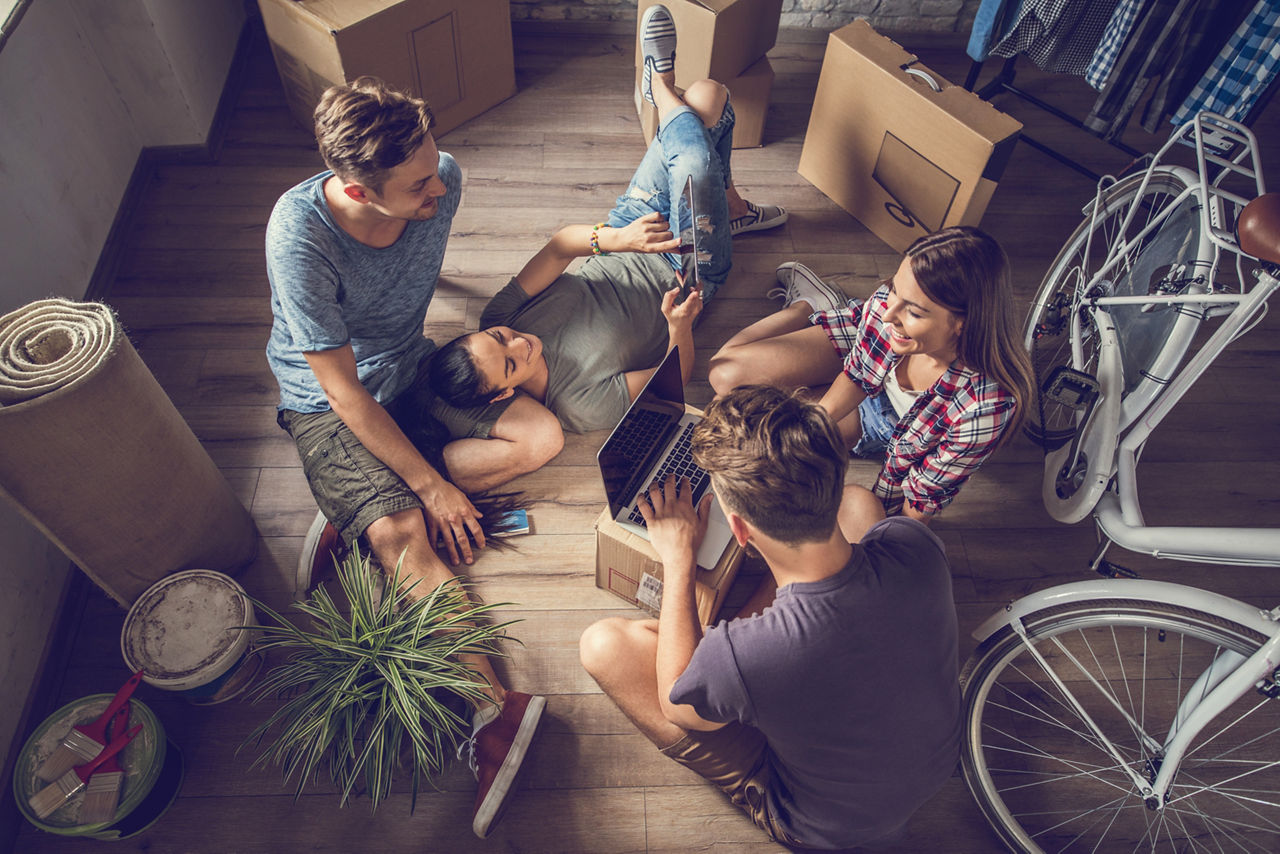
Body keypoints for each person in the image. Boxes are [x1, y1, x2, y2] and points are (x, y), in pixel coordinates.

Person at [264, 76, 554, 839]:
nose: (441, 185)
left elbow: (423, 264)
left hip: (413, 366)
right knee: (406, 536)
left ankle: (350, 512)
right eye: (419, 182)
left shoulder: (443, 178)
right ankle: (499, 708)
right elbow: (346, 394)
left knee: (535, 442)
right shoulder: (298, 239)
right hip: (333, 399)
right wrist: (430, 488)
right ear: (358, 189)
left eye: (434, 164)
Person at [578, 385, 962, 850]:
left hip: (828, 826)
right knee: (860, 505)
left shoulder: (753, 655)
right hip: (936, 762)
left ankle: (730, 681)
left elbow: (678, 707)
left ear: (738, 529)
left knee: (603, 646)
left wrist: (679, 559)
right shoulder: (912, 543)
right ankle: (735, 676)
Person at [426, 4, 786, 435]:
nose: (518, 343)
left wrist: (621, 238)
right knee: (697, 147)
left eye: (500, 337)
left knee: (710, 94)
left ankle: (729, 206)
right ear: (504, 394)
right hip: (687, 268)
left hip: (632, 225)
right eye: (509, 363)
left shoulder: (498, 313)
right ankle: (660, 87)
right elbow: (673, 382)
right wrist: (680, 327)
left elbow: (561, 246)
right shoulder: (580, 405)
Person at [708, 227, 1036, 523]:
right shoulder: (885, 313)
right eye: (894, 289)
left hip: (885, 420)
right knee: (724, 376)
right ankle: (811, 304)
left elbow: (919, 500)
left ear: (962, 324)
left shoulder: (984, 406)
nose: (889, 312)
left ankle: (812, 330)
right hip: (861, 344)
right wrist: (810, 424)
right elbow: (858, 375)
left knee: (769, 440)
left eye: (914, 311)